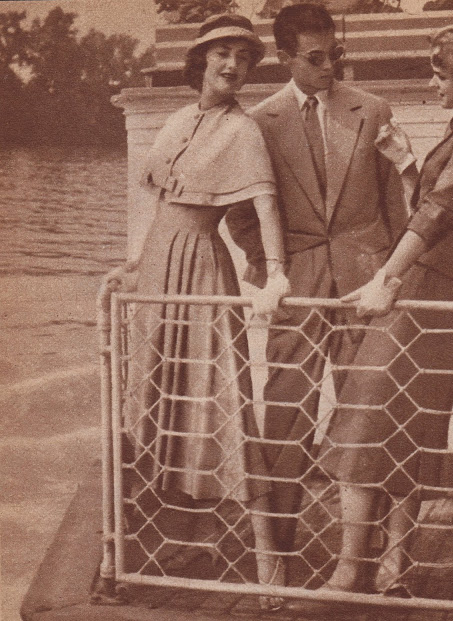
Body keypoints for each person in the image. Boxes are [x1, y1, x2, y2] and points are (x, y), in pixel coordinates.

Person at [320, 18, 453, 595]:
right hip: (435, 280)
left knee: (368, 419)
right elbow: (432, 204)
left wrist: (386, 277)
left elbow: (440, 213)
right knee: (406, 421)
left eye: (440, 75)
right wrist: (407, 163)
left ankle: (352, 569)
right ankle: (391, 565)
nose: (433, 84)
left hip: (431, 284)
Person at [224, 2, 408, 574]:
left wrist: (386, 275)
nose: (330, 67)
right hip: (296, 288)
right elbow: (241, 217)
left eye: (336, 55)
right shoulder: (259, 122)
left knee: (368, 415)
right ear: (285, 58)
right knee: (285, 415)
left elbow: (395, 205)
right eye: (316, 58)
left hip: (363, 285)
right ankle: (278, 552)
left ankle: (368, 555)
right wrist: (276, 271)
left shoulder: (373, 110)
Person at [116, 14, 289, 611]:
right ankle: (170, 543)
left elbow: (265, 205)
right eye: (222, 53)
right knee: (155, 396)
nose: (232, 65)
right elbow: (163, 205)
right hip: (159, 271)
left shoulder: (243, 130)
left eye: (243, 56)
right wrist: (136, 265)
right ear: (201, 60)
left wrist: (276, 273)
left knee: (220, 400)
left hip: (201, 269)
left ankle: (268, 567)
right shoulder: (177, 120)